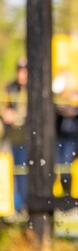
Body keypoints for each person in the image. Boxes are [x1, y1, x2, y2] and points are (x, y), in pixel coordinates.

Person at [53, 69, 78, 197]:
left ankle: (67, 197)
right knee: (52, 167)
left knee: (65, 167)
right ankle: (53, 197)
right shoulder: (55, 96)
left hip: (71, 138)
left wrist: (72, 108)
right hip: (57, 137)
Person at [2, 58, 28, 211]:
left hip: (28, 139)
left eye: (24, 70)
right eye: (20, 70)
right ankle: (16, 206)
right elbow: (6, 107)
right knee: (14, 173)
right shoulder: (11, 88)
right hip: (13, 138)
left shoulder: (35, 88)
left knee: (25, 173)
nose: (22, 74)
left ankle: (24, 205)